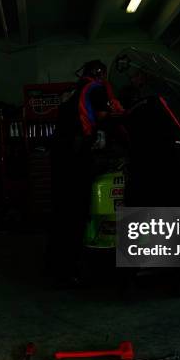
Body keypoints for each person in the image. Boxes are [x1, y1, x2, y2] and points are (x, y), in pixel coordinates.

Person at [49, 60, 125, 286]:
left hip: (61, 157)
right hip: (77, 157)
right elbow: (104, 116)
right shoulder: (95, 88)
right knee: (77, 214)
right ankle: (72, 271)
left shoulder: (72, 92)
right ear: (98, 73)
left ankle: (58, 268)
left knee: (62, 213)